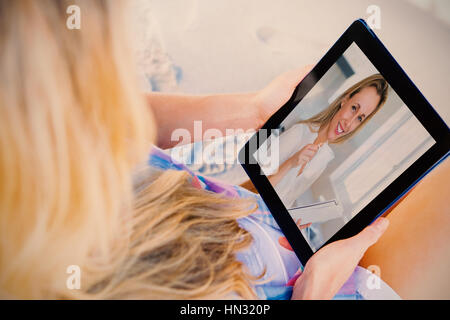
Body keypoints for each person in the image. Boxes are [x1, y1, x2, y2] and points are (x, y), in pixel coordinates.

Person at [0, 0, 395, 299]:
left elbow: (106, 116)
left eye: (362, 118)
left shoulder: (64, 130)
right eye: (354, 107)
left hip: (251, 221)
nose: (352, 119)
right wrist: (315, 288)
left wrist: (254, 108)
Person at [267, 74, 389, 209]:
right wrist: (291, 162)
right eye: (354, 108)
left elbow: (286, 200)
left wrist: (293, 220)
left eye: (360, 118)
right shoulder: (298, 132)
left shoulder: (324, 157)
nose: (349, 123)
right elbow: (249, 184)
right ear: (345, 100)